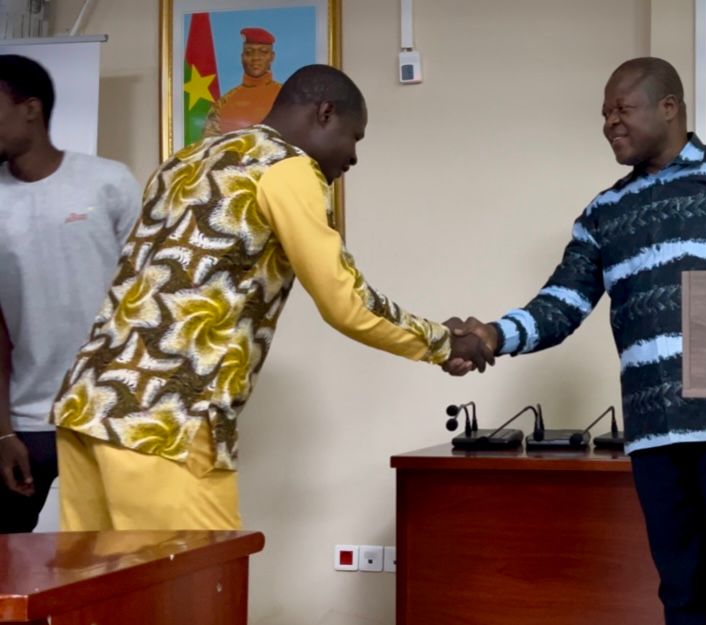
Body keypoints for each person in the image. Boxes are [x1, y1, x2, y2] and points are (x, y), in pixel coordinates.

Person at [448, 57, 706, 625]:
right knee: (683, 594)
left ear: (669, 107)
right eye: (604, 114)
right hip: (654, 436)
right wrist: (493, 336)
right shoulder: (604, 212)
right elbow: (562, 303)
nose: (609, 123)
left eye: (622, 109)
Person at [50, 64, 493, 532]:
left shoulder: (186, 160)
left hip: (88, 403)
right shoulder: (288, 168)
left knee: (95, 577)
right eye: (355, 137)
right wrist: (443, 342)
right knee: (199, 577)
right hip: (164, 419)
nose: (354, 157)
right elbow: (347, 302)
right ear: (325, 113)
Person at [0, 54, 141, 533]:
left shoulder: (109, 182)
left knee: (114, 554)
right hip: (25, 420)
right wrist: (3, 433)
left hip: (107, 409)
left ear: (30, 109)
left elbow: (145, 300)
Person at [203, 27, 282, 137]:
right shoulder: (223, 103)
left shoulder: (286, 96)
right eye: (249, 52)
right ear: (242, 57)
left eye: (263, 52)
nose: (255, 58)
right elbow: (210, 143)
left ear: (272, 57)